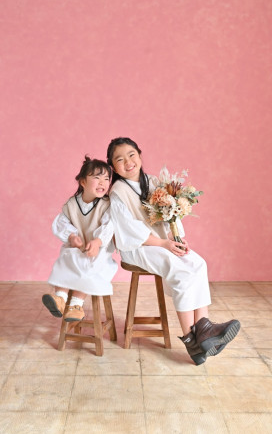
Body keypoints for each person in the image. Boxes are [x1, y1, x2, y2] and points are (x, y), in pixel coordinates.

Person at [107, 137, 240, 365]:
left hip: (161, 242)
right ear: (113, 166)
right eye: (120, 160)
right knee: (180, 269)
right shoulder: (118, 192)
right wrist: (163, 244)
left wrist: (176, 238)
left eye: (131, 155)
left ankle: (203, 332)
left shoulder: (153, 181)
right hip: (138, 248)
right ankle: (193, 339)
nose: (128, 162)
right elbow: (128, 232)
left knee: (197, 263)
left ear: (139, 154)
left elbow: (168, 216)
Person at [42, 156, 118, 322]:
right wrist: (72, 236)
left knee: (89, 265)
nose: (102, 183)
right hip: (78, 248)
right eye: (96, 178)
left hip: (98, 251)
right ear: (83, 182)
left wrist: (97, 242)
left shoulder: (106, 204)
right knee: (66, 259)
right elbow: (62, 222)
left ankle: (76, 304)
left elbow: (109, 225)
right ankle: (60, 298)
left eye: (106, 179)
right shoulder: (72, 204)